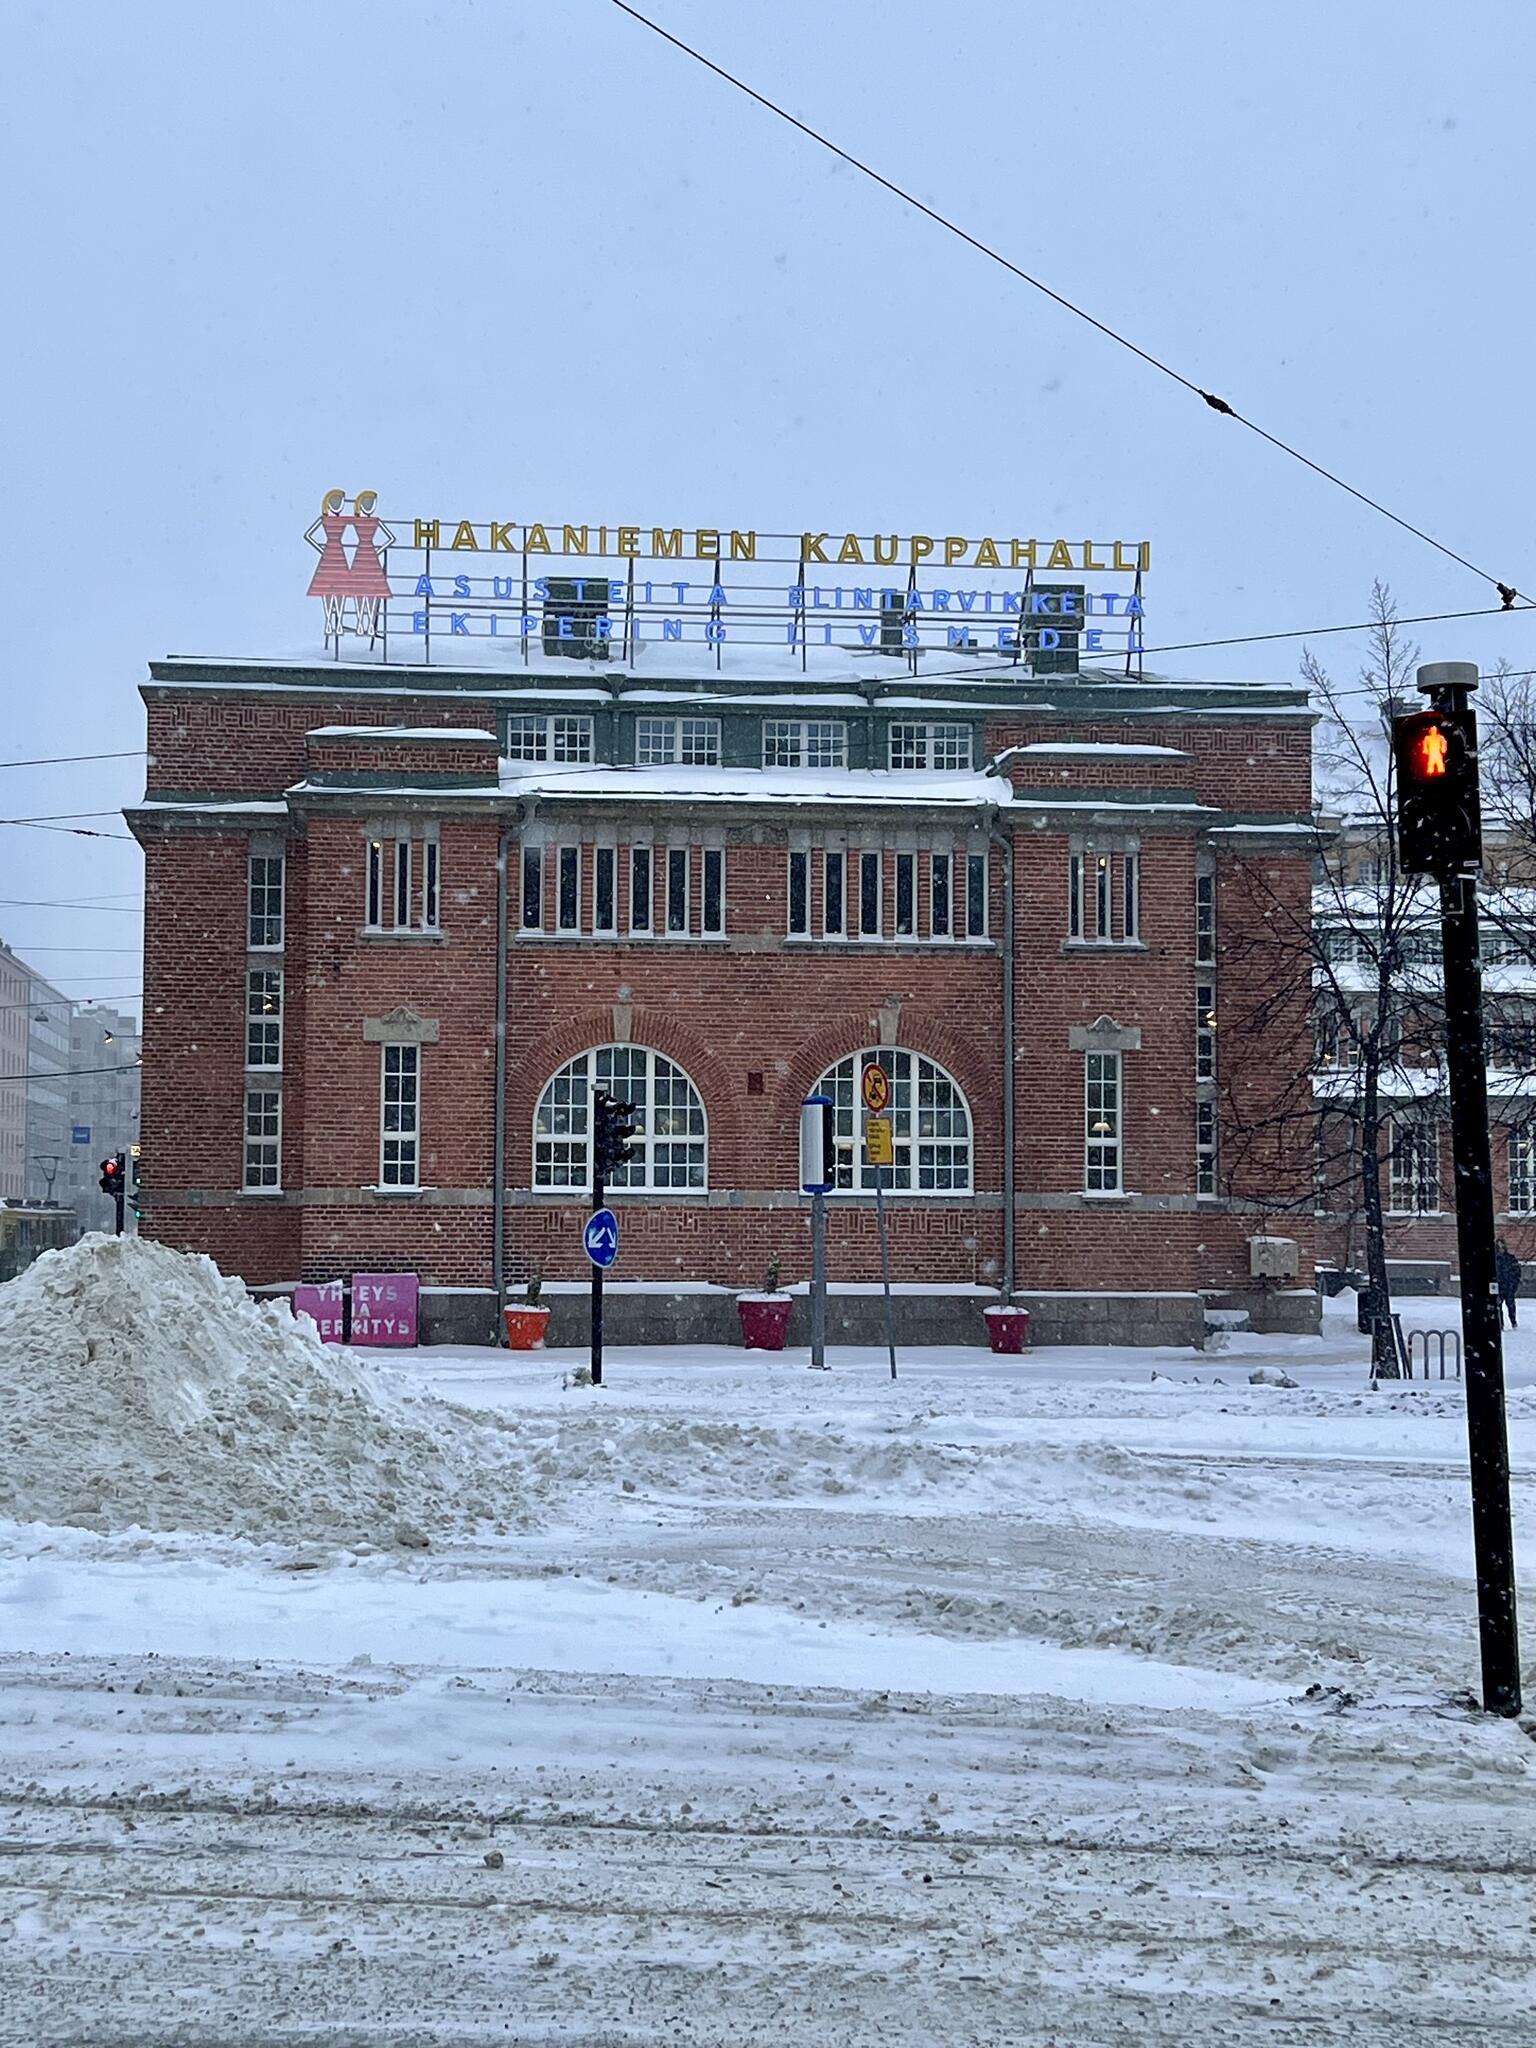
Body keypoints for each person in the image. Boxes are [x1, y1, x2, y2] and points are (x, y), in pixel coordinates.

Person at [1496, 1239, 1523, 1328]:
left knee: (1511, 1305)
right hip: (1498, 1287)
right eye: (1498, 1247)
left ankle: (1513, 1322)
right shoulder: (1494, 1260)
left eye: (1502, 1246)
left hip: (1509, 1286)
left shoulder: (1510, 1258)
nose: (1501, 1249)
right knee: (1498, 1306)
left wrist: (1514, 1283)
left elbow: (1517, 1273)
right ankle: (1500, 1325)